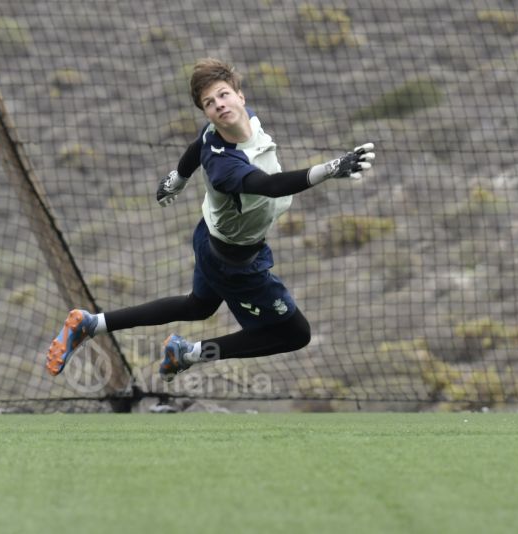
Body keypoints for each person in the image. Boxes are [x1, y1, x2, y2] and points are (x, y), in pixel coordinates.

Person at [45, 58, 375, 382]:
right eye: (209, 103)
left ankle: (90, 324)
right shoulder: (225, 166)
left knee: (198, 306)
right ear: (206, 113)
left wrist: (178, 177)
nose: (218, 104)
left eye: (222, 94)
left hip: (210, 239)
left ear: (240, 96)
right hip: (235, 263)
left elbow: (196, 144)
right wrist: (330, 169)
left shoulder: (239, 124)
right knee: (295, 334)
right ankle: (187, 353)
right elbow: (270, 186)